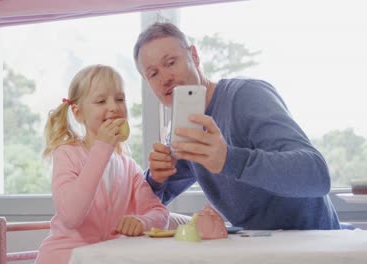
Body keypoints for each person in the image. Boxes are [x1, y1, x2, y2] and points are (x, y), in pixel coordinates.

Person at [133, 22, 344, 230]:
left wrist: (229, 159)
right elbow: (144, 205)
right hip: (259, 249)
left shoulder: (247, 96)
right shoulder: (187, 129)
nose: (165, 78)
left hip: (313, 242)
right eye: (153, 73)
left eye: (170, 63)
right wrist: (156, 179)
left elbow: (317, 176)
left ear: (194, 57)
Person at [35, 65, 168, 264]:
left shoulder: (128, 167)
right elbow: (71, 216)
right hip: (64, 258)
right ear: (78, 113)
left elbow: (160, 213)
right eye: (100, 101)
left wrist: (142, 222)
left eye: (120, 99)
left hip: (106, 258)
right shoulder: (66, 154)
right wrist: (102, 148)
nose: (114, 107)